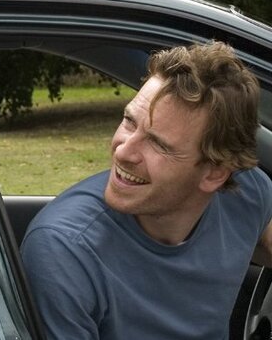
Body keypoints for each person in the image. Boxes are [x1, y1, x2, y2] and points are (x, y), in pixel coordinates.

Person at [21, 41, 272, 339]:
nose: (123, 151)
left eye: (157, 143)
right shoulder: (64, 250)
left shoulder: (246, 192)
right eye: (129, 121)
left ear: (215, 173)